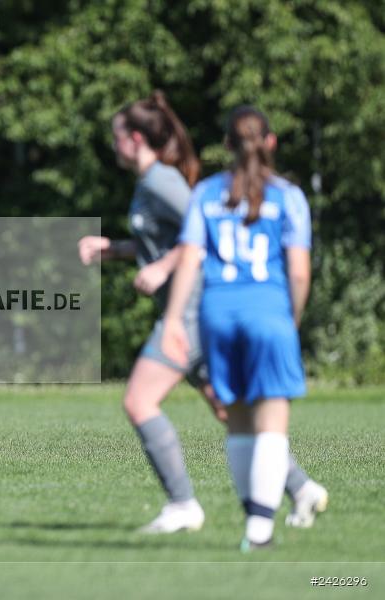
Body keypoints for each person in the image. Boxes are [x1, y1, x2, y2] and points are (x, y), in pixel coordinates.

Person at [79, 92, 325, 533]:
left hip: (193, 312)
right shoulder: (149, 181)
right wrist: (115, 250)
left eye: (117, 138)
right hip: (196, 313)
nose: (113, 146)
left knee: (138, 400)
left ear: (135, 139)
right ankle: (302, 487)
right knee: (229, 411)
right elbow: (169, 240)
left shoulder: (162, 182)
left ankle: (183, 506)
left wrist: (162, 267)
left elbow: (203, 235)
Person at [161, 105, 319, 550]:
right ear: (271, 142)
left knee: (239, 425)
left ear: (227, 145)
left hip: (218, 315)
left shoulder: (207, 193)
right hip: (267, 312)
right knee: (272, 425)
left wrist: (174, 318)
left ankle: (255, 518)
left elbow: (190, 259)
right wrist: (292, 317)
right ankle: (260, 530)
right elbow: (300, 272)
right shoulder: (288, 196)